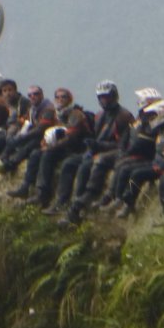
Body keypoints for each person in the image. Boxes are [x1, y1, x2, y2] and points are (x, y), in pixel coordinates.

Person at [56, 81, 134, 222]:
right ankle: (63, 201)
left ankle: (82, 201)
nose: (104, 100)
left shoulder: (124, 116)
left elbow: (123, 145)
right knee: (69, 163)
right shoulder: (99, 116)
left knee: (91, 164)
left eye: (107, 97)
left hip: (114, 153)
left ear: (114, 96)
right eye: (101, 97)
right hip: (95, 150)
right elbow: (94, 136)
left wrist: (99, 145)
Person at [115, 99, 164, 218]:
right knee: (129, 169)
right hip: (156, 163)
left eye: (154, 116)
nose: (152, 119)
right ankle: (123, 199)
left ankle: (128, 203)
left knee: (137, 174)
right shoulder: (162, 131)